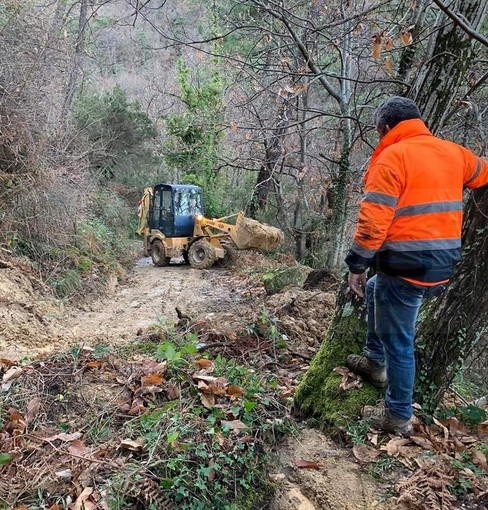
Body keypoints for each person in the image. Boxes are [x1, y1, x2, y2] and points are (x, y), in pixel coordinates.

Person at [345, 96, 488, 435]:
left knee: (400, 340)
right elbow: (484, 173)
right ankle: (374, 361)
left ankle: (397, 416)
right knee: (377, 288)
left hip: (406, 268)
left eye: (379, 131)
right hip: (441, 266)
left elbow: (372, 223)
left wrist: (357, 265)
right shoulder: (454, 153)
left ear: (388, 127)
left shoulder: (392, 158)